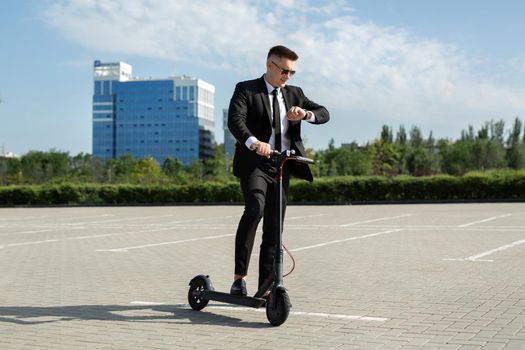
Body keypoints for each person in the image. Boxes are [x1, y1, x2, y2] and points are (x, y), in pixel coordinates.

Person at [227, 45, 330, 296]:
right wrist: (254, 142)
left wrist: (304, 114)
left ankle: (267, 284)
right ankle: (239, 278)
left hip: (282, 165)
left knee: (275, 227)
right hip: (255, 164)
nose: (288, 76)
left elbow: (324, 114)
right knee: (255, 209)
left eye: (292, 72)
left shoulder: (295, 93)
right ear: (269, 65)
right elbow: (235, 121)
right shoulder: (246, 89)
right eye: (285, 71)